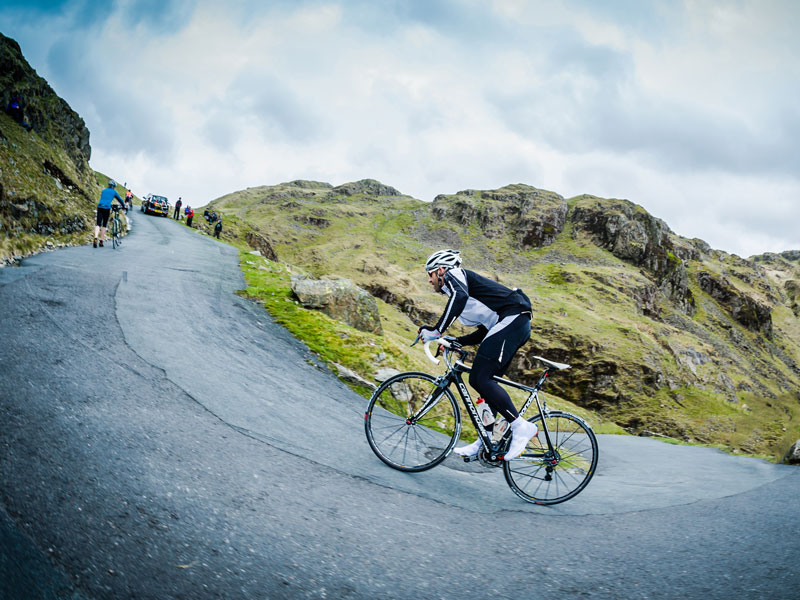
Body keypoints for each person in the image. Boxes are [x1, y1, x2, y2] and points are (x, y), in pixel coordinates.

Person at [418, 249, 536, 461]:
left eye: (431, 274)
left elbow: (459, 297)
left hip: (514, 317)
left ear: (442, 270)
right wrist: (456, 341)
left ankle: (521, 427)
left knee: (479, 378)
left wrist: (437, 331)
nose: (429, 280)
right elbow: (485, 330)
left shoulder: (456, 277)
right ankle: (486, 440)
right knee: (485, 383)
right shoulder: (464, 294)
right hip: (511, 323)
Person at [94, 180, 126, 248]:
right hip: (106, 208)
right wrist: (123, 206)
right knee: (104, 225)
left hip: (100, 207)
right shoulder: (114, 192)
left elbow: (104, 198)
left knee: (98, 223)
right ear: (114, 187)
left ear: (108, 185)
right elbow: (120, 200)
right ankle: (101, 241)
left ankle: (95, 238)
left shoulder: (104, 190)